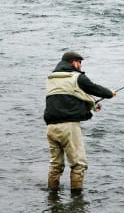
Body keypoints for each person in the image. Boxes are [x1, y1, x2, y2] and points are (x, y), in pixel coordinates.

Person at [44, 51, 116, 193]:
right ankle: (77, 201)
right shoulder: (77, 77)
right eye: (80, 62)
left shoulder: (51, 79)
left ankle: (52, 197)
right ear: (73, 62)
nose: (81, 66)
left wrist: (92, 104)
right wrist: (109, 93)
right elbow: (94, 88)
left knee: (56, 166)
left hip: (51, 128)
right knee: (78, 165)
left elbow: (68, 97)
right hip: (69, 127)